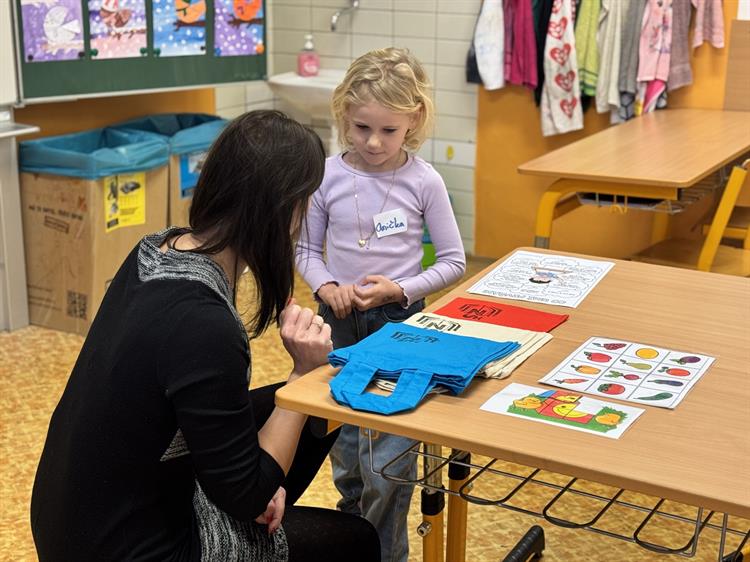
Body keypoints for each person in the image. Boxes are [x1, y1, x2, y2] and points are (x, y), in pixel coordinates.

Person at [30, 110, 380, 562]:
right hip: (125, 549)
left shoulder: (157, 248)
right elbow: (244, 494)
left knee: (317, 405)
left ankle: (260, 505)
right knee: (356, 538)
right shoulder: (205, 325)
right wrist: (301, 375)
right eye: (305, 202)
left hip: (74, 517)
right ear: (282, 210)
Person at [295, 48, 466, 562]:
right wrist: (327, 285)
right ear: (343, 113)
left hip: (401, 326)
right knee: (347, 453)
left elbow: (453, 262)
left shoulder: (424, 180)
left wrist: (399, 289)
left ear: (414, 120)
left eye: (388, 131)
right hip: (340, 323)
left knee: (387, 462)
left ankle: (384, 553)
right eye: (362, 127)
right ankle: (354, 540)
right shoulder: (326, 176)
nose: (373, 142)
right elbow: (305, 251)